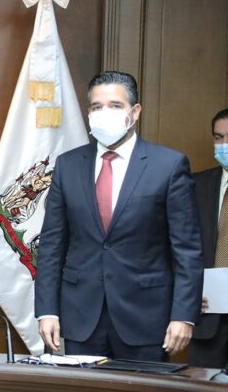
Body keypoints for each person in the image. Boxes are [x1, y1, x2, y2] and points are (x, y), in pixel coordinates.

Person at [35, 71, 203, 361]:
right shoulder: (68, 165)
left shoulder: (169, 165)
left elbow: (187, 250)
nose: (104, 113)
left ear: (134, 112)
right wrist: (47, 310)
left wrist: (183, 315)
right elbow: (51, 245)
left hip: (147, 318)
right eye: (96, 107)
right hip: (81, 318)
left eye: (115, 105)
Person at [189, 108, 228, 368]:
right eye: (218, 137)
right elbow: (177, 247)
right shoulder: (195, 185)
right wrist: (188, 291)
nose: (224, 144)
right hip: (207, 315)